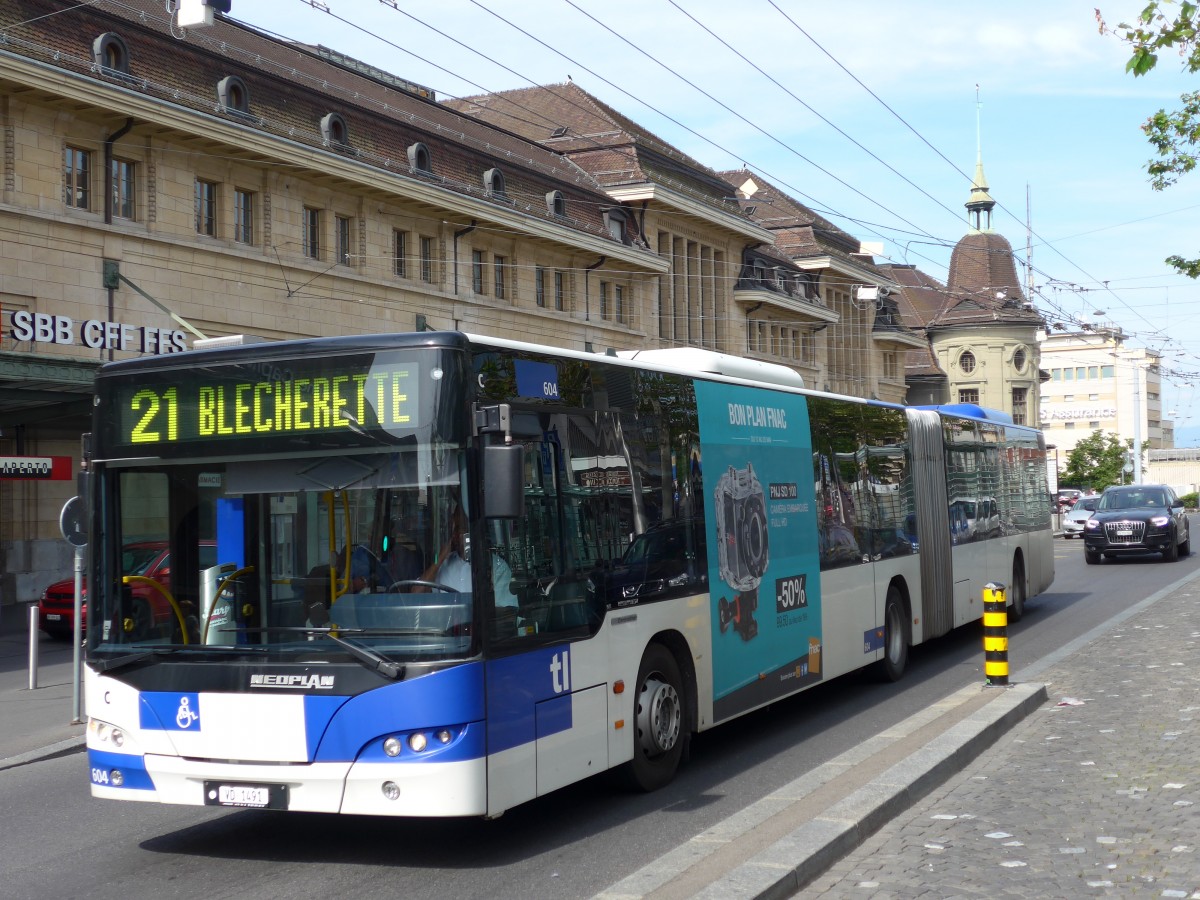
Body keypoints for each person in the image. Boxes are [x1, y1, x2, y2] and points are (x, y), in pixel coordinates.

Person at [418, 506, 517, 608]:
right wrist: (439, 560)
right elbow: (416, 593)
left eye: (459, 529)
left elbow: (508, 610)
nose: (455, 535)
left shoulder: (497, 567)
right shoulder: (443, 564)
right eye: (453, 529)